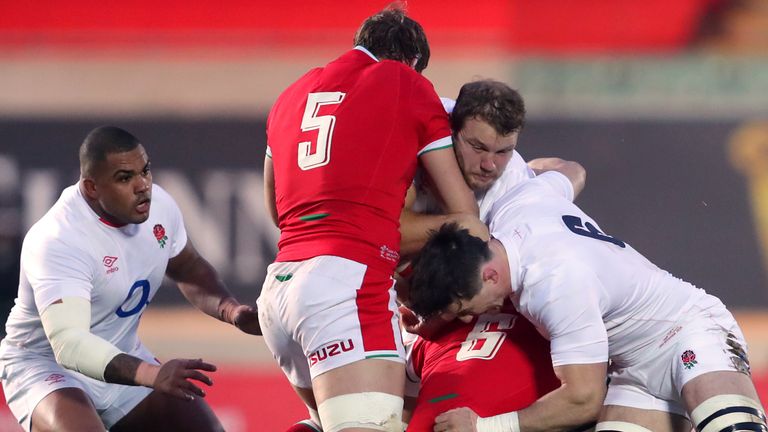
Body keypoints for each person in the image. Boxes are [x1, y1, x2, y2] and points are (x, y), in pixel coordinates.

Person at [259, 5, 481, 432]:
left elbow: (276, 210)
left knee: (326, 423)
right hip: (345, 287)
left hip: (279, 292)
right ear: (414, 62)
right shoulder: (408, 83)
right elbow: (463, 208)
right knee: (473, 229)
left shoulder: (293, 91)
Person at [407, 169, 767, 431]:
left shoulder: (553, 285)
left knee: (732, 428)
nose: (470, 319)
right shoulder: (518, 205)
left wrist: (485, 427)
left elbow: (582, 399)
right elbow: (570, 170)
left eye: (467, 308)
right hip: (632, 370)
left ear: (489, 275)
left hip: (688, 331)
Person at [0, 126, 261, 432]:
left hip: (121, 355)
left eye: (145, 170)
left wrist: (231, 311)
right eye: (125, 177)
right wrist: (152, 374)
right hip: (47, 366)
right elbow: (69, 345)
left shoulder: (160, 207)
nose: (143, 186)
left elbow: (188, 267)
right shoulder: (59, 239)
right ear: (91, 187)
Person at [397, 80, 589, 431]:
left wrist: (536, 175)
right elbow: (381, 231)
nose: (489, 165)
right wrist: (464, 221)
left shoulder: (512, 186)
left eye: (503, 152)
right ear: (451, 128)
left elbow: (573, 172)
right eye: (477, 147)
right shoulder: (417, 130)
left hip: (446, 312)